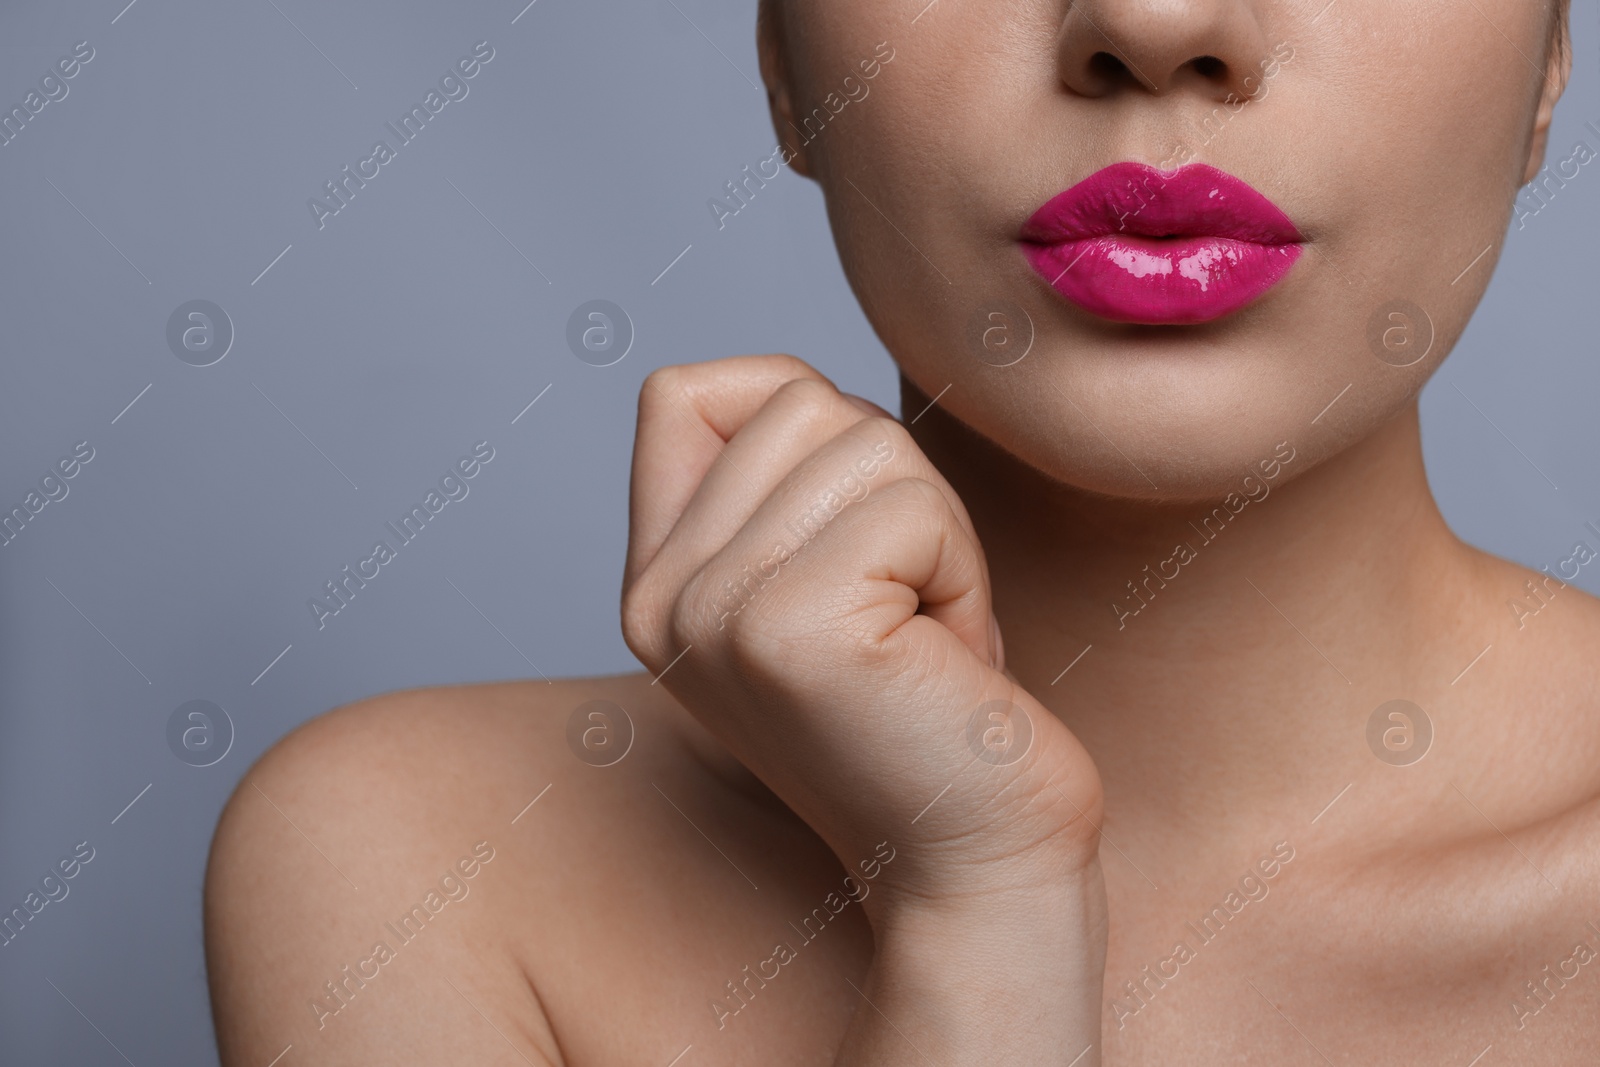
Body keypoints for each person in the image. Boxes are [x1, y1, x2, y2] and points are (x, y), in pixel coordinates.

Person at [205, 1, 1592, 1063]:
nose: (1155, 26)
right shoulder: (429, 872)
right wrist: (978, 913)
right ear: (783, 67)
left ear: (1548, 65)